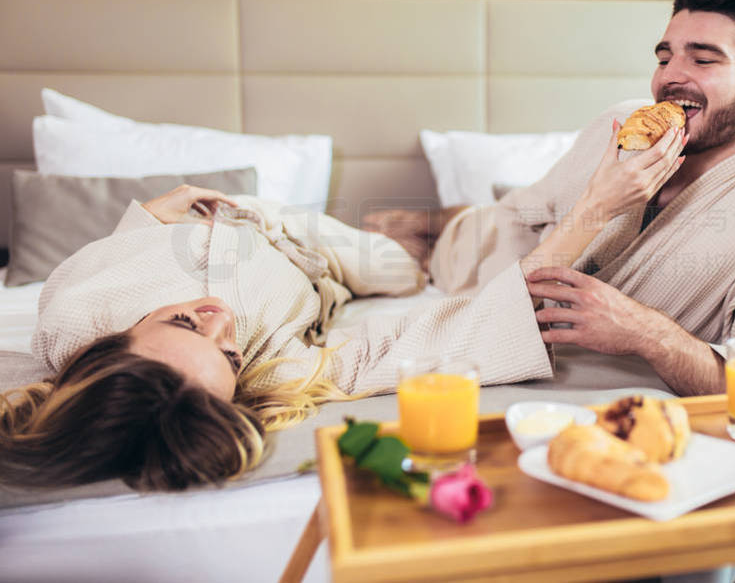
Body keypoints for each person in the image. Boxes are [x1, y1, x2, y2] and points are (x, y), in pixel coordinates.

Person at [0, 101, 685, 491]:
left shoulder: (71, 316)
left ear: (108, 344)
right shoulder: (280, 375)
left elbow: (117, 252)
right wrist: (593, 213)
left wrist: (155, 209)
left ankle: (418, 228)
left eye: (186, 320)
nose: (223, 320)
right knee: (405, 275)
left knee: (401, 257)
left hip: (263, 217)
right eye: (230, 353)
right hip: (316, 266)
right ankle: (420, 233)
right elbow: (440, 338)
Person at [364, 0, 735, 398]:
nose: (671, 77)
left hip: (521, 280)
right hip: (500, 251)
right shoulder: (619, 124)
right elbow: (522, 212)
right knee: (462, 233)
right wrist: (499, 301)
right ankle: (437, 225)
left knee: (450, 238)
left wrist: (647, 333)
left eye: (703, 60)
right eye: (665, 57)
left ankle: (436, 231)